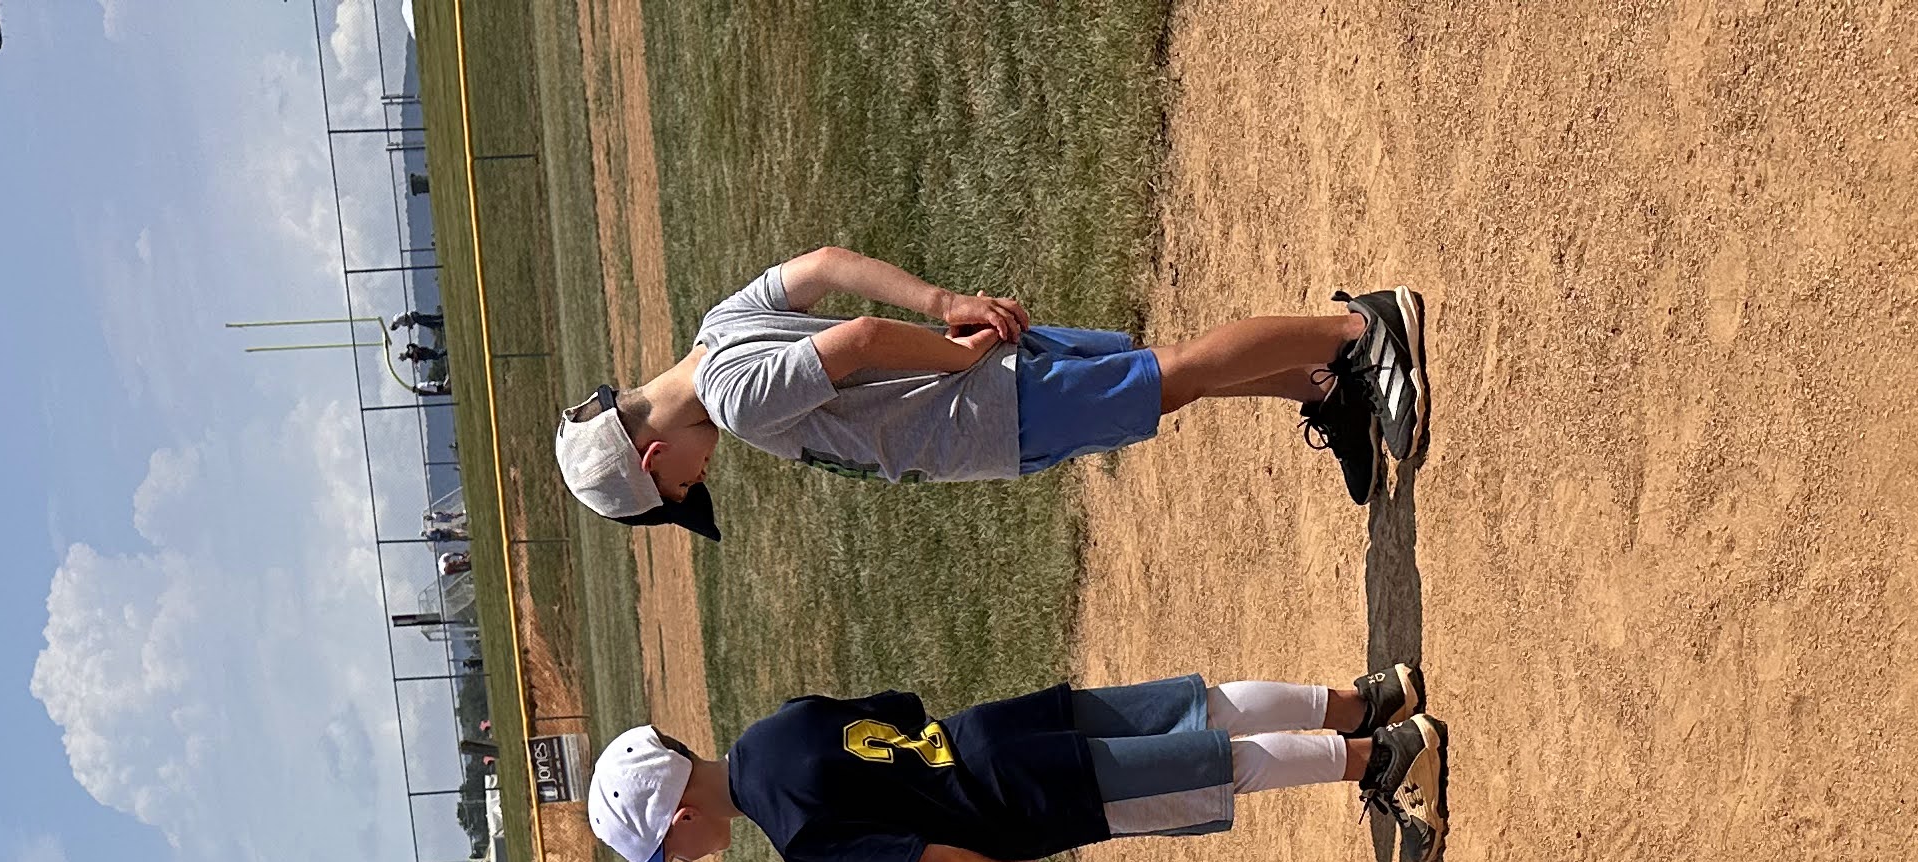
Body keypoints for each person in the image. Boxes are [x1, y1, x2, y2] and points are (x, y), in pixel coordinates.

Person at [548, 255, 1426, 537]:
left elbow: (859, 340)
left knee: (1174, 376)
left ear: (654, 459)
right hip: (991, 406)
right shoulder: (716, 329)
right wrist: (942, 302)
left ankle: (1357, 331)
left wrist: (951, 347)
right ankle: (1325, 386)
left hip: (989, 406)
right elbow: (820, 267)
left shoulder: (734, 400)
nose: (698, 481)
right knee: (1163, 386)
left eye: (681, 488)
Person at [587, 670, 1448, 862]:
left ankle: (1383, 756)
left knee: (1213, 770)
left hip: (1024, 799)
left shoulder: (793, 833)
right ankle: (1364, 701)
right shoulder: (772, 727)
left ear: (681, 815)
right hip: (998, 729)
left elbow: (928, 860)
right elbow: (895, 709)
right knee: (1196, 708)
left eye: (670, 853)